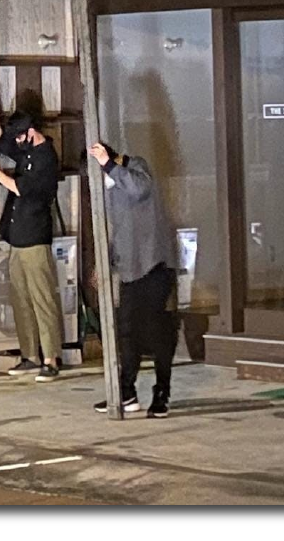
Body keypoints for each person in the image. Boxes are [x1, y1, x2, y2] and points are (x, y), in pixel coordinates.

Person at [90, 139, 179, 418]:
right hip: (130, 269)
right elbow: (119, 230)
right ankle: (126, 391)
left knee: (156, 331)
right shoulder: (112, 187)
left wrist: (108, 165)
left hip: (155, 265)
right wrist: (105, 262)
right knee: (128, 332)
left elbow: (139, 188)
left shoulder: (136, 168)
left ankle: (162, 392)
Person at [0, 112, 63, 380]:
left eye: (20, 136)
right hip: (16, 236)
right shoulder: (26, 150)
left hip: (35, 237)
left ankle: (51, 358)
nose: (16, 141)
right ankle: (30, 356)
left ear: (32, 132)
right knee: (21, 300)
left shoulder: (45, 158)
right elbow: (1, 141)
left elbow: (20, 188)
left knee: (42, 299)